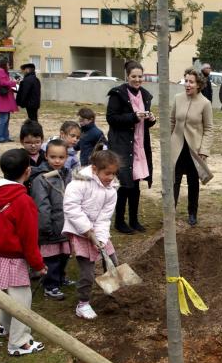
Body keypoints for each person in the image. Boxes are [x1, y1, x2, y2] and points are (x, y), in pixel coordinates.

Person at [0, 149, 46, 356]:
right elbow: (29, 238)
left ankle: (6, 326)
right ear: (27, 171)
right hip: (12, 257)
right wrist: (38, 264)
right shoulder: (23, 201)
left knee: (4, 293)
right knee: (21, 300)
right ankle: (19, 342)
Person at [62, 150, 120, 320]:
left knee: (112, 262)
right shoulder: (79, 184)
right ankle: (83, 303)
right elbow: (71, 208)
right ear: (95, 169)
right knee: (87, 272)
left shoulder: (111, 190)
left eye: (114, 173)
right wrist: (87, 230)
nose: (111, 177)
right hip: (79, 231)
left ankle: (113, 293)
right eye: (107, 173)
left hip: (98, 231)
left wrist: (100, 238)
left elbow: (104, 217)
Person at [106, 61, 156, 234]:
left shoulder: (145, 95)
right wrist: (133, 117)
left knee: (135, 185)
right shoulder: (117, 94)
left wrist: (150, 120)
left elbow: (143, 124)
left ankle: (134, 220)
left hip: (139, 145)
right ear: (127, 76)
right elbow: (112, 118)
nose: (137, 79)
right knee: (124, 185)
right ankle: (119, 222)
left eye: (140, 76)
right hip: (122, 145)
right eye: (134, 76)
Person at [30, 139, 73, 301]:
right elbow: (42, 206)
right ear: (46, 156)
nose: (57, 161)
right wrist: (45, 228)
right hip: (50, 228)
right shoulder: (41, 179)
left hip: (64, 225)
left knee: (64, 255)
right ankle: (50, 286)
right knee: (52, 259)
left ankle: (60, 278)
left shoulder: (67, 175)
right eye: (53, 157)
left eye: (61, 157)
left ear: (66, 157)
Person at [171, 68, 213, 226]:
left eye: (191, 82)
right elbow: (171, 121)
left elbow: (209, 129)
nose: (187, 84)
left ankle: (192, 213)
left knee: (193, 183)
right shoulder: (177, 98)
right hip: (176, 149)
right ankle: (170, 213)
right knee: (173, 182)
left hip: (194, 151)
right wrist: (168, 143)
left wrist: (204, 151)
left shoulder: (205, 103)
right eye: (186, 81)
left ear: (199, 84)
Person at [0, 58, 19, 143]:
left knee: (6, 118)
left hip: (4, 96)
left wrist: (12, 82)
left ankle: (5, 136)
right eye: (7, 64)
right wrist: (14, 82)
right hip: (3, 97)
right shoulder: (0, 71)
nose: (9, 66)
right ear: (4, 64)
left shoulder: (0, 71)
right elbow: (3, 82)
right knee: (3, 118)